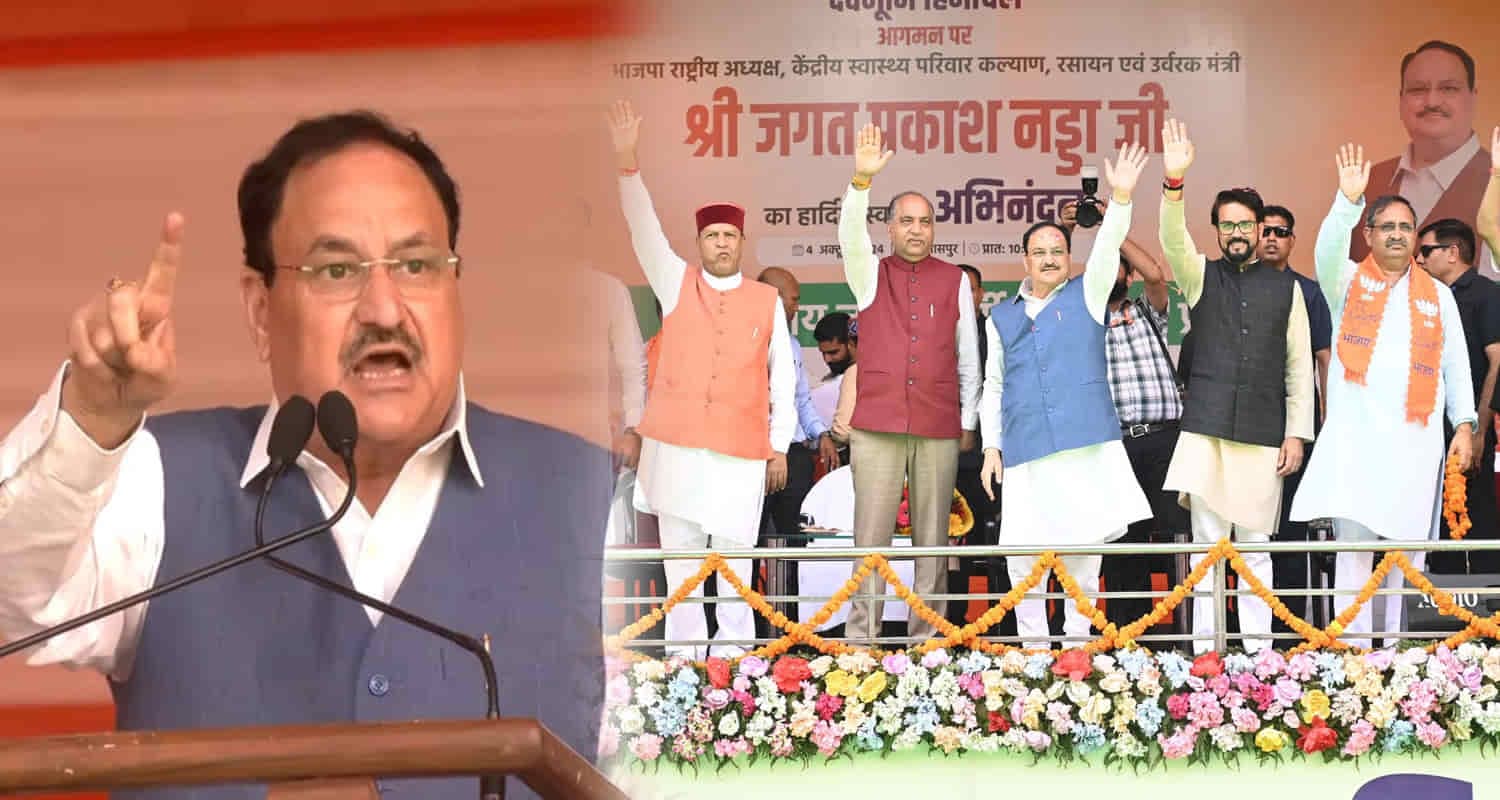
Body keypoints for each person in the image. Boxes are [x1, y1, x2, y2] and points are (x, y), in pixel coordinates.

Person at [0, 111, 612, 800]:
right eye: (337, 269)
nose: (384, 310)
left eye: (416, 265)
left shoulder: (603, 503)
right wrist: (91, 416)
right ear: (261, 311)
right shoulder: (157, 481)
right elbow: (13, 602)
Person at [609, 100, 795, 660]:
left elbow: (783, 380)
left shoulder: (766, 300)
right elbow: (644, 231)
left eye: (729, 235)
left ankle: (736, 666)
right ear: (700, 243)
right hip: (678, 452)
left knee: (736, 569)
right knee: (683, 570)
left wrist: (779, 446)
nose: (721, 243)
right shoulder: (675, 282)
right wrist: (627, 165)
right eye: (712, 235)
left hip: (741, 456)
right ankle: (685, 667)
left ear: (741, 242)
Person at [1291, 142, 1476, 650]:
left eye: (1405, 227)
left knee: (1406, 553)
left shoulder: (1438, 295)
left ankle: (1394, 653)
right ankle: (1351, 651)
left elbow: (1456, 365)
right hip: (1357, 440)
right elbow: (1326, 251)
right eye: (1386, 226)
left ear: (1415, 237)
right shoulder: (1347, 281)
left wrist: (1464, 424)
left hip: (1416, 442)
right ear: (1369, 235)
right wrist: (1346, 203)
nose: (1396, 234)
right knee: (1354, 551)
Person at [978, 141, 1155, 651]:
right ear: (1025, 260)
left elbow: (1109, 243)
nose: (1050, 259)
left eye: (1058, 251)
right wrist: (991, 447)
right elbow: (993, 386)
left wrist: (1121, 198)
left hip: (1083, 447)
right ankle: (1034, 657)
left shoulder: (1089, 294)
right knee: (1023, 563)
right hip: (1026, 451)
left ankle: (1078, 655)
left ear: (1068, 257)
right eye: (1040, 252)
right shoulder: (1001, 316)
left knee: (1082, 563)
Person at [1156, 120, 1315, 654]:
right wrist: (1173, 183)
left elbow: (1299, 367)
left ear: (1262, 227)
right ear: (1218, 231)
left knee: (1255, 550)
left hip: (1263, 435)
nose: (1237, 233)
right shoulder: (1200, 275)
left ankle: (1259, 659)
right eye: (1227, 225)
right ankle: (1207, 656)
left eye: (1245, 223)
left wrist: (1297, 434)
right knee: (1208, 550)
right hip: (1206, 431)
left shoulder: (1287, 289)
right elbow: (1171, 239)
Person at [835, 123, 981, 644]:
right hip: (876, 424)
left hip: (938, 424)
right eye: (907, 221)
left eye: (925, 221)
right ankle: (861, 643)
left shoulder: (955, 279)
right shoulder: (868, 273)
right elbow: (849, 236)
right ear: (890, 228)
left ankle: (927, 645)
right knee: (870, 543)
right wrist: (861, 181)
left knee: (933, 544)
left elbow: (968, 357)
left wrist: (967, 421)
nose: (917, 230)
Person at [1255, 205, 1336, 638]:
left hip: (1296, 429)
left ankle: (1288, 633)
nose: (1272, 238)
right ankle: (1249, 630)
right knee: (1249, 535)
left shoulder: (1308, 292)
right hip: (1248, 428)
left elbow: (1324, 358)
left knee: (1289, 530)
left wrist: (1326, 420)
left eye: (1281, 232)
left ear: (1292, 241)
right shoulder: (1236, 286)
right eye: (1265, 230)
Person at [1352, 40, 1494, 275]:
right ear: (1401, 100)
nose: (1432, 102)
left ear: (1472, 98)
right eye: (1418, 89)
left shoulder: (1494, 182)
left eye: (1448, 88)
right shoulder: (1366, 183)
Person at [1416, 216, 1500, 573]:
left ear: (1452, 252)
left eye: (1426, 251)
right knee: (1437, 519)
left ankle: (1489, 601)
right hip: (1429, 427)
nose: (1418, 259)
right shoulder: (1429, 298)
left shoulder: (1485, 294)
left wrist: (1478, 429)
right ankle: (1439, 600)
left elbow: (1497, 361)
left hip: (1470, 428)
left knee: (1478, 514)